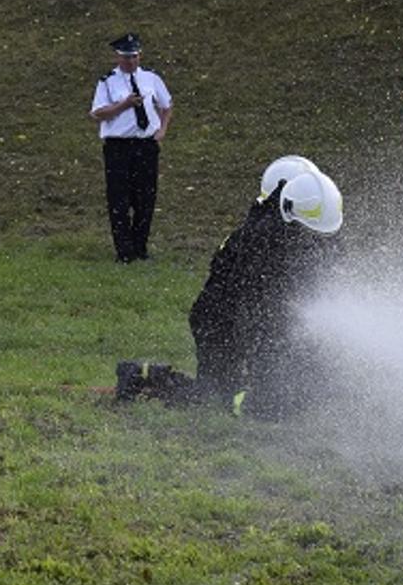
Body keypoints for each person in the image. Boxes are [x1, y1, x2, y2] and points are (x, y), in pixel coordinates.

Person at [117, 156, 343, 419]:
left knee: (290, 383)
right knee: (216, 397)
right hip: (218, 320)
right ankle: (141, 376)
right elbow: (254, 311)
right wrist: (264, 378)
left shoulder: (296, 227)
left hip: (250, 313)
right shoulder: (259, 241)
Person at [89, 32, 172, 262]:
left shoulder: (151, 78)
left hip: (145, 145)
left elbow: (166, 105)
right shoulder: (107, 82)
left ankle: (140, 248)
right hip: (119, 147)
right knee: (119, 199)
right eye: (126, 57)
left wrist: (162, 131)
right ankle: (124, 251)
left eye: (135, 56)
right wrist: (124, 105)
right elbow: (98, 114)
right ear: (118, 58)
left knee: (145, 199)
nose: (131, 61)